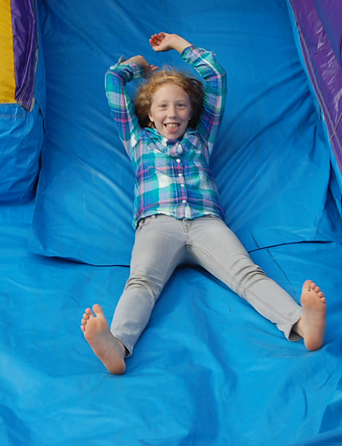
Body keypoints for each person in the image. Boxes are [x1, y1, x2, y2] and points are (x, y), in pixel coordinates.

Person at [81, 32, 326, 375]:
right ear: (148, 115)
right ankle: (116, 345)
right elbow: (112, 81)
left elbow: (215, 76)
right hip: (158, 222)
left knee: (247, 274)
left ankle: (302, 324)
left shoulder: (201, 138)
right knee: (141, 282)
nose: (172, 113)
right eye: (163, 106)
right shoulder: (137, 141)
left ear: (191, 112)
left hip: (206, 222)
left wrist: (178, 44)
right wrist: (138, 66)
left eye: (181, 105)